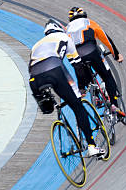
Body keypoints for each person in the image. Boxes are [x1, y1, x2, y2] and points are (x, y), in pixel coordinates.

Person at [29, 19, 104, 158]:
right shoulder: (65, 37)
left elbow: (31, 68)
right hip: (55, 70)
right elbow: (77, 65)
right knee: (77, 107)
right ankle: (91, 146)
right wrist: (81, 88)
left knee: (48, 107)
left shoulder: (36, 45)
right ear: (59, 28)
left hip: (34, 79)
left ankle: (56, 116)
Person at [65, 7, 125, 117]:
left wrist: (80, 82)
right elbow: (105, 38)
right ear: (84, 15)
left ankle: (95, 95)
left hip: (76, 56)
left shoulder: (66, 29)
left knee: (84, 74)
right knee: (107, 77)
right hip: (92, 51)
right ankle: (114, 105)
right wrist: (116, 54)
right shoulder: (89, 22)